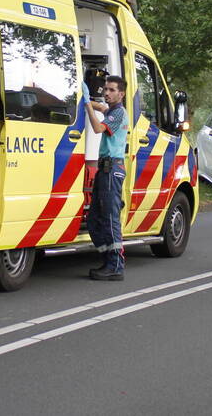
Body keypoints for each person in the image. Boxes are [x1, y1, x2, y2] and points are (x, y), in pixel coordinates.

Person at [84, 75, 129, 281]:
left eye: (111, 90)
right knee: (94, 220)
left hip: (112, 171)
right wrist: (82, 95)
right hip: (104, 170)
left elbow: (98, 128)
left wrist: (86, 105)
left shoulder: (119, 112)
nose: (107, 93)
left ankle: (116, 266)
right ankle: (107, 259)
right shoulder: (111, 110)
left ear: (121, 94)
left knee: (110, 219)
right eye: (105, 89)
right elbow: (100, 107)